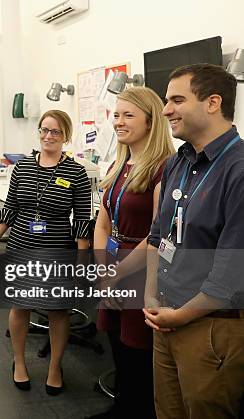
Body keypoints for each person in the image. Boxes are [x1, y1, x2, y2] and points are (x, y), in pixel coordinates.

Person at [145, 63, 244, 419]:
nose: (166, 109)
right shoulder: (177, 163)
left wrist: (180, 317)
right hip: (166, 318)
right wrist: (151, 295)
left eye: (176, 100)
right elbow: (158, 237)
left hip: (211, 327)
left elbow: (231, 276)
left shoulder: (238, 170)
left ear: (213, 102)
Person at [0, 110, 91, 396]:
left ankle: (55, 367)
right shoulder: (21, 168)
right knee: (19, 305)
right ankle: (19, 362)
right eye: (44, 130)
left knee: (58, 311)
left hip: (58, 249)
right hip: (21, 244)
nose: (48, 136)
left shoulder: (76, 172)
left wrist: (82, 264)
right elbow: (10, 207)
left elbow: (82, 221)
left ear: (66, 136)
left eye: (55, 132)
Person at [90, 87, 174, 419]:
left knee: (138, 352)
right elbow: (102, 224)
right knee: (118, 346)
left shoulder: (164, 168)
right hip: (113, 267)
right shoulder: (121, 163)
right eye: (116, 115)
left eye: (128, 115)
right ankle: (122, 406)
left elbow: (157, 234)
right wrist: (102, 267)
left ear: (151, 122)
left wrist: (117, 274)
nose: (119, 122)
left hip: (141, 271)